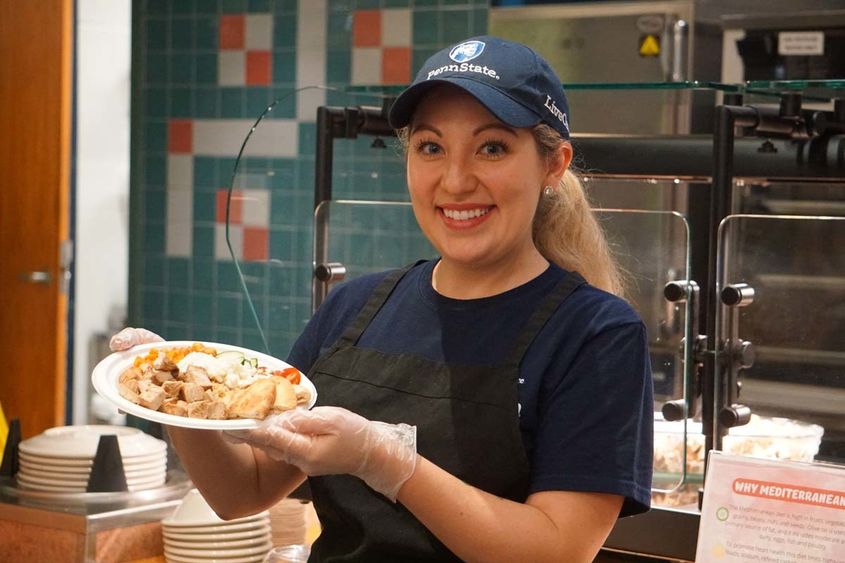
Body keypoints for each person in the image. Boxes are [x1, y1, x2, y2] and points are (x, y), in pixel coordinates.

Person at [112, 35, 653, 562]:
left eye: (492, 147)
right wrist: (176, 400)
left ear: (554, 165)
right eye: (431, 148)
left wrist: (389, 464)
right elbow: (242, 492)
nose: (456, 180)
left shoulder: (596, 334)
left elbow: (557, 550)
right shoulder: (356, 308)